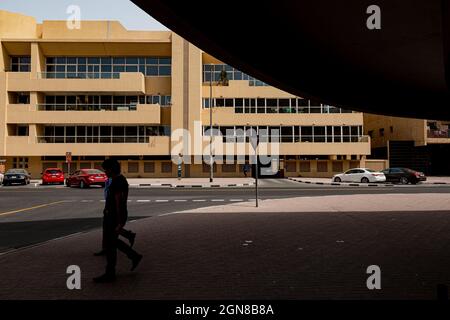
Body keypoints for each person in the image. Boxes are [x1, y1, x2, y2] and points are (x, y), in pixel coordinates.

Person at [93, 159, 143, 283]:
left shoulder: (118, 182)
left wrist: (120, 222)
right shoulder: (117, 180)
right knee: (113, 242)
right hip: (112, 216)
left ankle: (110, 273)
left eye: (106, 169)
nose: (105, 172)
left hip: (114, 217)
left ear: (111, 169)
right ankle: (133, 255)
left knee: (111, 246)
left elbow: (119, 202)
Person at [93, 176, 136, 257]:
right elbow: (107, 193)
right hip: (109, 207)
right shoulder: (110, 179)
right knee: (107, 230)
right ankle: (128, 239)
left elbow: (119, 200)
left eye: (107, 170)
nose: (105, 172)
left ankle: (132, 255)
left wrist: (120, 217)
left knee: (111, 234)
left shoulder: (118, 180)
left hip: (113, 211)